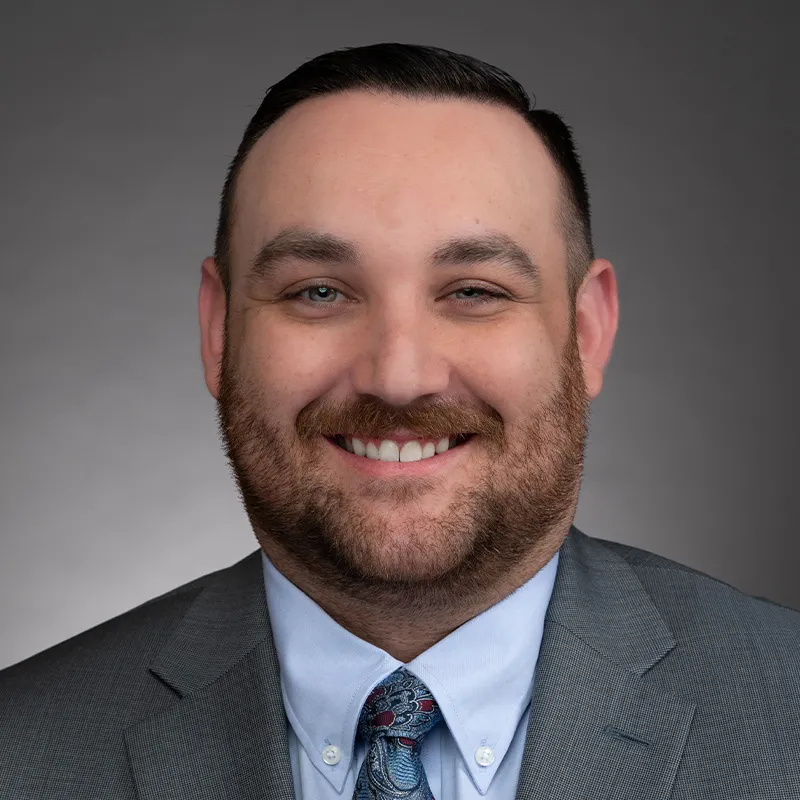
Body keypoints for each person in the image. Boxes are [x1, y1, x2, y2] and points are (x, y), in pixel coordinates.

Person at [0, 42, 797, 800]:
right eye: (320, 291)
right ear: (219, 331)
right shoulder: (23, 751)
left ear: (587, 331)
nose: (400, 376)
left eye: (474, 291)